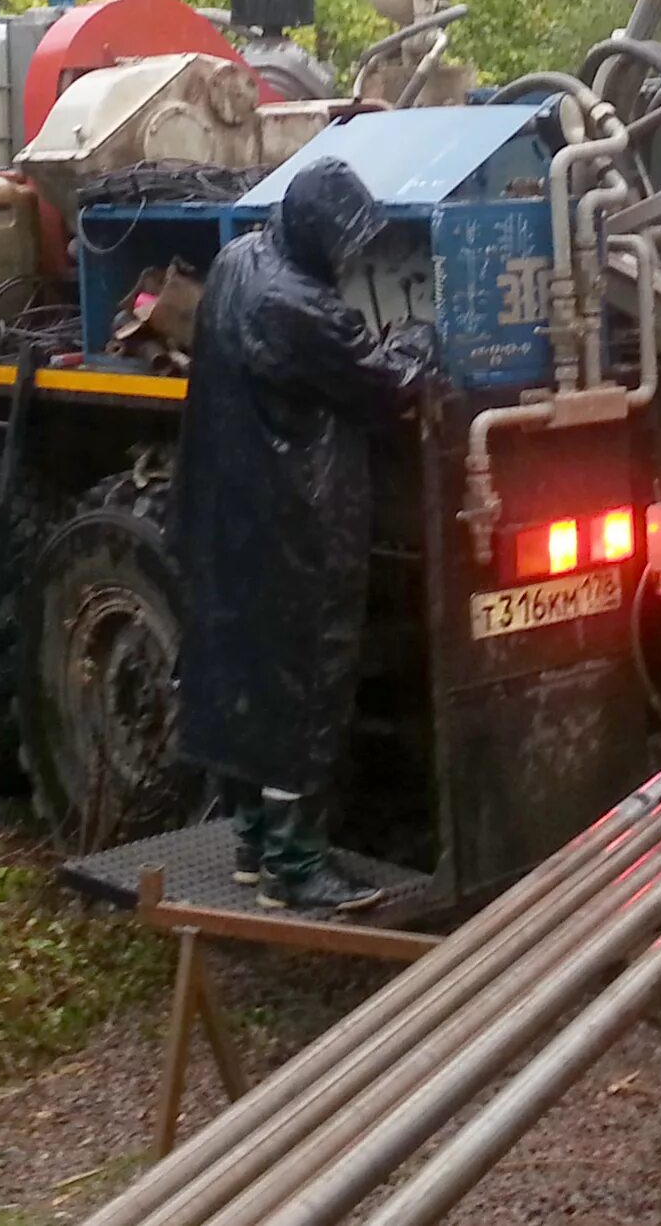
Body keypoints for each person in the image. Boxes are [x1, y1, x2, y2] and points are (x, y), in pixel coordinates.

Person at [172, 157, 434, 914]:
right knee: (306, 692)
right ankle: (297, 870)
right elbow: (384, 388)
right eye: (346, 242)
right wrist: (418, 345)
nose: (352, 258)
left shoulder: (236, 260)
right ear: (316, 233)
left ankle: (255, 844)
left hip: (232, 513)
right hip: (298, 525)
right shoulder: (301, 308)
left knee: (250, 684)